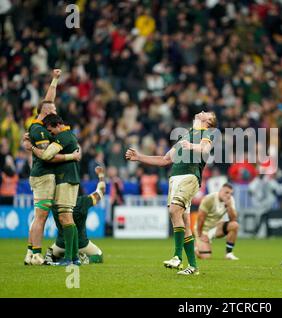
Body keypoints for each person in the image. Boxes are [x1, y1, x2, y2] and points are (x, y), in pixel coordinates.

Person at [125, 111, 217, 275]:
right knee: (185, 223)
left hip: (190, 176)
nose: (202, 112)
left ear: (208, 121)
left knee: (174, 209)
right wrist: (139, 157)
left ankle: (176, 256)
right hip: (174, 179)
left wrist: (192, 146)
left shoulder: (207, 133)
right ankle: (193, 267)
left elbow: (205, 149)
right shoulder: (186, 136)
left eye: (207, 114)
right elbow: (165, 160)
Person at [23, 69, 80, 265]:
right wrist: (71, 155)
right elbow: (48, 157)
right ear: (46, 113)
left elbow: (47, 101)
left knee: (40, 215)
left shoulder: (39, 124)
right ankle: (37, 255)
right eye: (53, 110)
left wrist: (55, 79)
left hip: (42, 175)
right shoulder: (39, 129)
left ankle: (30, 253)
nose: (56, 112)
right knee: (41, 216)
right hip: (44, 174)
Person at [44, 166, 105, 265]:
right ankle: (84, 259)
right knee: (99, 255)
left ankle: (52, 256)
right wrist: (101, 175)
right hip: (81, 244)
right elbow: (101, 191)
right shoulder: (84, 201)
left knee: (49, 255)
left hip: (60, 244)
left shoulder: (55, 202)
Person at [195, 183, 239, 260]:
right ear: (220, 191)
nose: (228, 195)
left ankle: (228, 253)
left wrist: (229, 206)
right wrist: (200, 234)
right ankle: (195, 247)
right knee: (206, 257)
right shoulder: (209, 199)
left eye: (230, 193)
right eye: (226, 192)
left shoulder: (230, 200)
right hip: (203, 229)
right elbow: (200, 218)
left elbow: (233, 219)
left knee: (234, 225)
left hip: (216, 228)